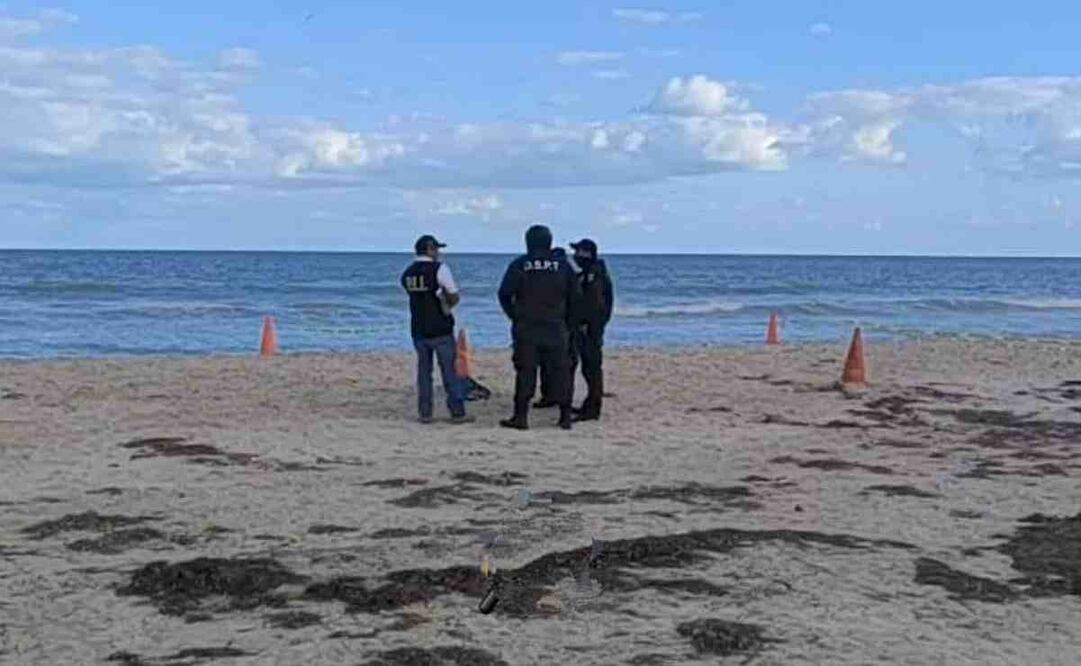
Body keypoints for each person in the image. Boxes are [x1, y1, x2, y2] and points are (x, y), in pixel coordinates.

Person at [497, 225, 581, 430]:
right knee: (561, 371)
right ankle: (565, 417)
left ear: (528, 242)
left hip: (527, 327)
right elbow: (576, 297)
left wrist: (515, 316)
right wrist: (569, 323)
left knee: (526, 371)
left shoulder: (520, 264)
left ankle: (521, 416)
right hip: (556, 326)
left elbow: (504, 294)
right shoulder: (562, 266)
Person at [401, 235, 474, 424]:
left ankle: (425, 412)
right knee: (450, 371)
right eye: (437, 249)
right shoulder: (439, 269)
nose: (439, 253)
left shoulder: (408, 273)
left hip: (418, 327)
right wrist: (446, 303)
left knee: (424, 372)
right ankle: (457, 411)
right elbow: (454, 295)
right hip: (440, 327)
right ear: (430, 250)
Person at [569, 238, 613, 421]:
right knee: (590, 368)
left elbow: (594, 302)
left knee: (591, 368)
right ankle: (590, 404)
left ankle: (593, 408)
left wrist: (586, 323)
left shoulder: (593, 274)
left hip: (590, 327)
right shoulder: (591, 272)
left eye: (578, 251)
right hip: (592, 325)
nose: (575, 255)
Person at [534, 247, 576, 409]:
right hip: (558, 325)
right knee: (553, 366)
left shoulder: (561, 275)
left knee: (558, 366)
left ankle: (555, 397)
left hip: (560, 326)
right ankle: (552, 397)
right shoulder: (563, 274)